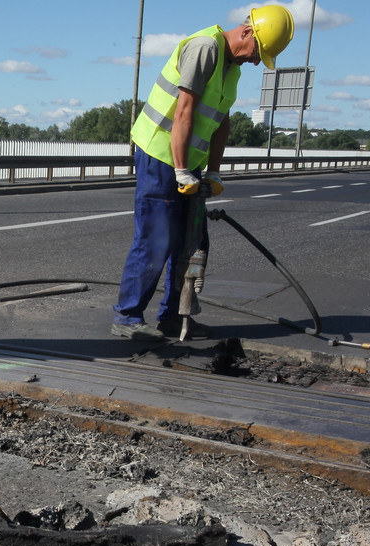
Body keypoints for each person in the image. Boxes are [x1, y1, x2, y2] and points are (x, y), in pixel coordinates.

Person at [111, 5, 293, 341]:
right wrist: (181, 170)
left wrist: (213, 172)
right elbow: (184, 112)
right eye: (259, 52)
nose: (256, 61)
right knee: (156, 238)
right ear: (247, 32)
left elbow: (220, 122)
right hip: (160, 155)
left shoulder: (231, 67)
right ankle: (127, 319)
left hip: (187, 162)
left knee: (192, 240)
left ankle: (173, 318)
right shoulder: (205, 48)